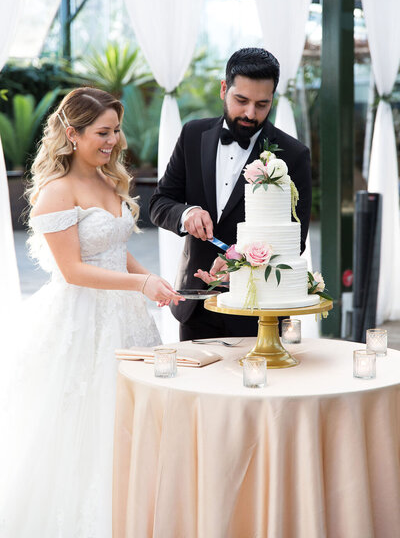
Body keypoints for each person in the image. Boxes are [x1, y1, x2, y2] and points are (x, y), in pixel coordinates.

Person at [0, 87, 183, 537]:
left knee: (136, 419)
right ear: (72, 133)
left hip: (127, 318)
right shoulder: (55, 193)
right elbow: (74, 271)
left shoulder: (108, 180)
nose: (114, 141)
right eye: (103, 132)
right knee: (88, 423)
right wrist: (138, 283)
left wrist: (154, 282)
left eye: (116, 131)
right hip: (81, 322)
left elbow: (117, 252)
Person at [149, 47, 312, 341]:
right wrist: (186, 214)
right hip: (196, 302)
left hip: (259, 309)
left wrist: (242, 264)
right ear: (224, 89)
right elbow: (159, 203)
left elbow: (294, 241)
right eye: (241, 100)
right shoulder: (192, 135)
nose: (251, 113)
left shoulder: (294, 155)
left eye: (262, 104)